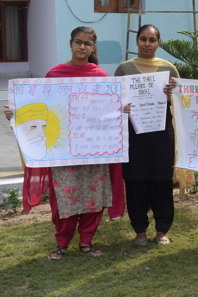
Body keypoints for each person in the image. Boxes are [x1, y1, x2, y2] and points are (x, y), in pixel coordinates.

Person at [4, 27, 128, 259]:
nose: (82, 47)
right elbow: (40, 106)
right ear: (70, 44)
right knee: (64, 197)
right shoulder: (55, 75)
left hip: (94, 149)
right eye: (78, 42)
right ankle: (62, 243)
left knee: (93, 196)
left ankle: (86, 242)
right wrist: (16, 113)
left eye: (87, 44)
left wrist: (122, 109)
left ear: (93, 47)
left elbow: (108, 109)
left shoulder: (101, 76)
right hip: (63, 151)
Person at [114, 25, 180, 246]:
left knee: (162, 180)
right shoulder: (124, 69)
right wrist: (122, 107)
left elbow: (181, 102)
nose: (147, 44)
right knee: (135, 180)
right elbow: (114, 100)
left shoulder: (168, 68)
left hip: (161, 133)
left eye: (152, 39)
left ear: (158, 42)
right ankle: (140, 230)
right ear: (137, 41)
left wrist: (171, 96)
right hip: (134, 134)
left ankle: (162, 230)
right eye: (143, 39)